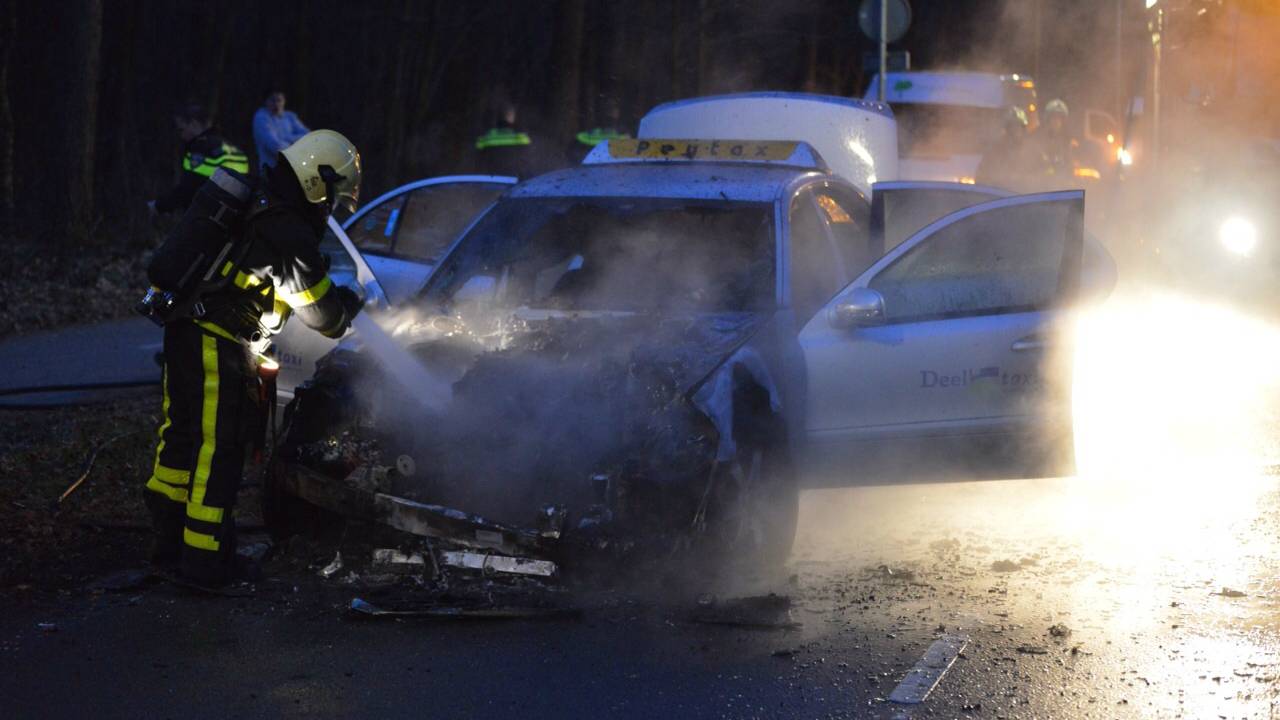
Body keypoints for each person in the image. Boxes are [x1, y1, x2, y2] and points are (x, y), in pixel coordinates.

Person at [143, 129, 364, 586]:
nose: (333, 204)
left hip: (187, 328)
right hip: (217, 341)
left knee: (181, 438)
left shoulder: (265, 203)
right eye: (334, 192)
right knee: (218, 448)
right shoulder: (288, 230)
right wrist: (347, 307)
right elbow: (325, 317)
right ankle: (205, 564)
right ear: (316, 179)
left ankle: (171, 546)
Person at [149, 103, 249, 216]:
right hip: (236, 216)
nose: (181, 135)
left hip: (208, 219)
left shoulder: (201, 149)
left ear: (194, 124)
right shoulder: (232, 148)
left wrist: (159, 206)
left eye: (181, 129)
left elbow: (188, 189)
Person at [975, 106, 1044, 192]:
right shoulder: (995, 151)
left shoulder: (1032, 151)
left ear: (1023, 129)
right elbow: (981, 176)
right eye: (1012, 127)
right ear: (1007, 129)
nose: (1015, 131)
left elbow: (1042, 177)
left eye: (1018, 127)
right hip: (1000, 199)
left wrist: (1025, 182)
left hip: (1026, 198)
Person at [474, 100, 536, 178]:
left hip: (492, 179)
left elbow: (478, 162)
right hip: (513, 180)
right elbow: (527, 161)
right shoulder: (521, 137)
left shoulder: (485, 138)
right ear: (510, 116)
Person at [252, 90, 309, 173]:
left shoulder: (290, 116)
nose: (276, 104)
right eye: (273, 100)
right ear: (266, 101)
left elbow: (308, 136)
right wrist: (298, 145)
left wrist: (286, 138)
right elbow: (275, 147)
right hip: (272, 171)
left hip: (296, 170)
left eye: (279, 100)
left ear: (284, 101)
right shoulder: (261, 118)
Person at [1032, 99, 1079, 179]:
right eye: (1053, 118)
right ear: (1048, 120)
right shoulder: (1038, 139)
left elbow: (1073, 164)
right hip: (1041, 183)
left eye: (1059, 118)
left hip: (1063, 183)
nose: (1056, 121)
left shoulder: (1069, 141)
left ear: (1063, 121)